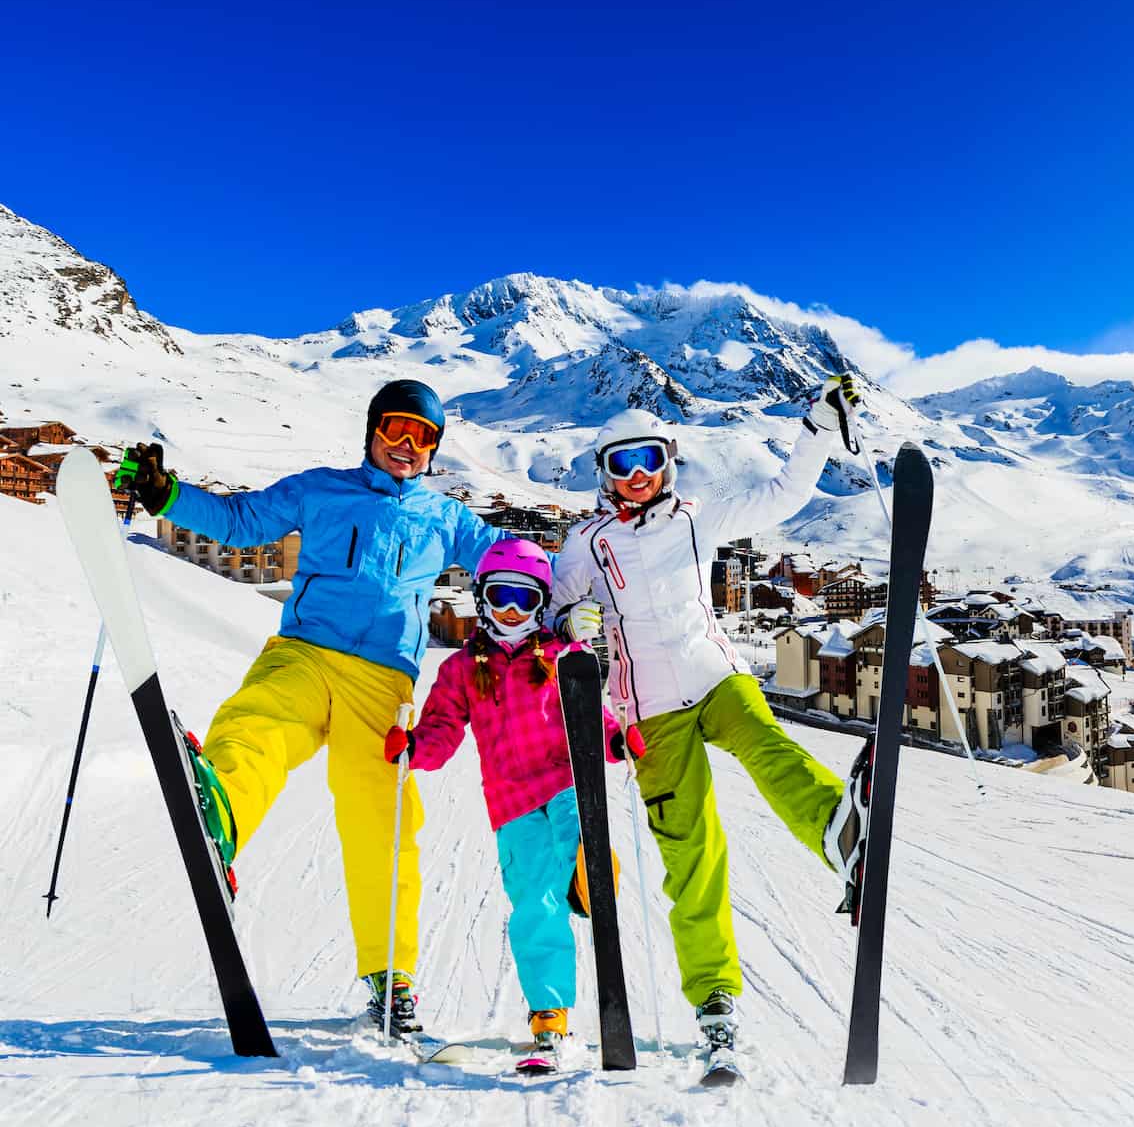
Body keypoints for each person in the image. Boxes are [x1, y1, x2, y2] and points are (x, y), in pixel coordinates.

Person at [113, 379, 503, 1031]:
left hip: (383, 682)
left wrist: (572, 585)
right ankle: (221, 810)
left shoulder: (446, 519)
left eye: (423, 436)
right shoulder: (320, 488)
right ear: (373, 430)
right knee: (259, 716)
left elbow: (509, 558)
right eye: (395, 429)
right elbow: (241, 522)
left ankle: (390, 975)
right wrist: (165, 494)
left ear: (434, 449)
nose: (406, 445)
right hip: (305, 651)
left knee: (382, 818)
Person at [548, 376, 869, 1066]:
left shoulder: (699, 516)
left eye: (648, 461)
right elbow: (551, 606)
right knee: (692, 854)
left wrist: (816, 427)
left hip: (715, 676)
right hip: (650, 712)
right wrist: (567, 620)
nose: (637, 478)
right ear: (604, 475)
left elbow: (783, 494)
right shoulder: (589, 542)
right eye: (621, 465)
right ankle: (715, 998)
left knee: (766, 742)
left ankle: (838, 832)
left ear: (669, 461)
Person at [384, 538, 641, 1071]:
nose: (511, 611)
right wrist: (413, 749)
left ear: (541, 603)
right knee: (534, 907)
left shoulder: (562, 654)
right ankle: (550, 1016)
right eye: (501, 596)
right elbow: (441, 731)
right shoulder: (460, 671)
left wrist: (616, 743)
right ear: (481, 598)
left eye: (525, 600)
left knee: (582, 858)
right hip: (512, 804)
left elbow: (594, 715)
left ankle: (593, 879)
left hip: (569, 784)